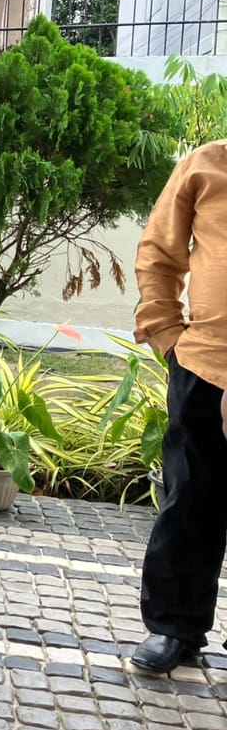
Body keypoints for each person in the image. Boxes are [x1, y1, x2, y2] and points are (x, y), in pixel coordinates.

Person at [129, 139, 227, 673]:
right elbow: (159, 252)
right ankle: (173, 629)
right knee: (189, 499)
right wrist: (168, 334)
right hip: (204, 364)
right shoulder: (206, 164)